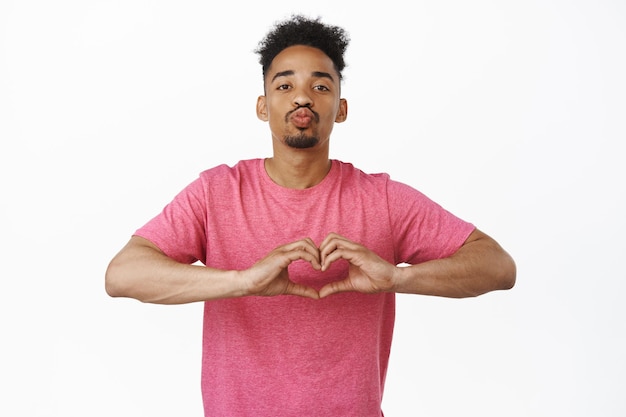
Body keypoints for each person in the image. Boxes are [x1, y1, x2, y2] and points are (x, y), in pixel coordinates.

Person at [105, 14, 516, 417]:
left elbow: (498, 267)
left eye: (320, 85)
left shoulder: (382, 199)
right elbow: (122, 275)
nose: (302, 97)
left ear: (341, 108)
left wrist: (398, 277)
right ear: (263, 106)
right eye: (285, 85)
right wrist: (243, 280)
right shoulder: (218, 193)